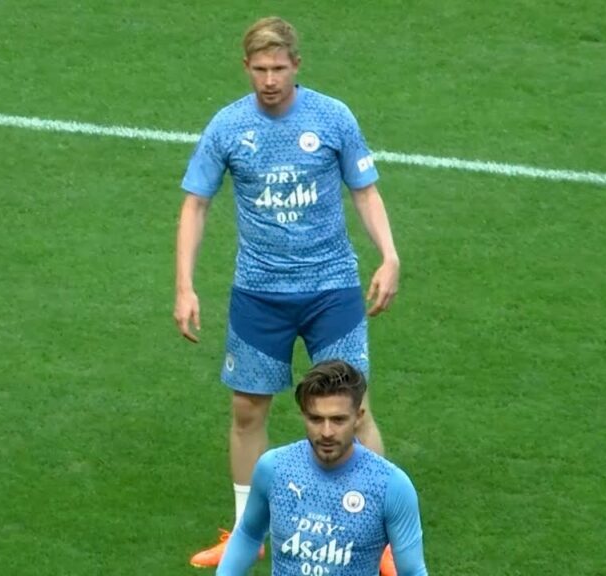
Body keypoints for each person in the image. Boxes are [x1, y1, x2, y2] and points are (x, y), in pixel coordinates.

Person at [175, 15, 402, 571]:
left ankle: (384, 541)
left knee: (356, 405)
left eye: (279, 68)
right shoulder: (227, 127)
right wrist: (184, 284)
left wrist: (390, 256)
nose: (270, 79)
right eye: (260, 69)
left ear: (297, 66)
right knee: (248, 410)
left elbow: (365, 192)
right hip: (260, 294)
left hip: (331, 289)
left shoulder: (332, 117)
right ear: (245, 67)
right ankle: (246, 536)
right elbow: (195, 204)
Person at [216, 360, 428, 576]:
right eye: (316, 419)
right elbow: (249, 534)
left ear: (358, 417)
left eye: (338, 420)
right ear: (303, 415)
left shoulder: (389, 486)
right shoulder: (275, 469)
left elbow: (412, 571)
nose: (327, 432)